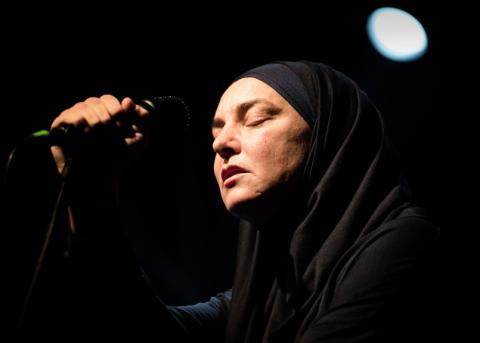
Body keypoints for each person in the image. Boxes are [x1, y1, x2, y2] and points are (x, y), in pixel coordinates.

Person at [21, 61, 440, 341]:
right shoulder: (258, 296)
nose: (222, 143)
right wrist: (92, 188)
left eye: (255, 118)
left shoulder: (408, 242)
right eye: (214, 133)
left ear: (328, 138)